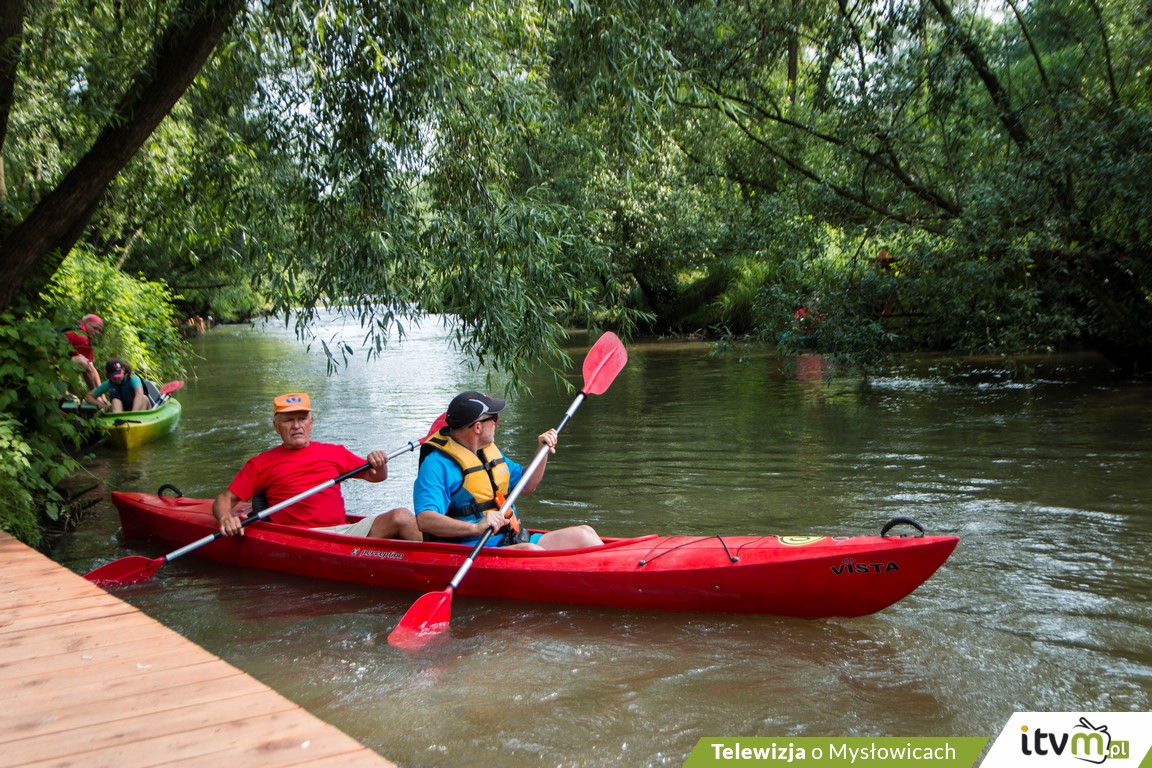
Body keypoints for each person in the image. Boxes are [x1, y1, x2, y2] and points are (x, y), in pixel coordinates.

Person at [212, 392, 421, 541]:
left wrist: (379, 463)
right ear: (276, 427)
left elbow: (376, 476)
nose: (296, 425)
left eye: (302, 419)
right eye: (288, 420)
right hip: (301, 538)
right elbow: (224, 499)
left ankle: (438, 559)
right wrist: (225, 518)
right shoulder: (260, 463)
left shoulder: (335, 452)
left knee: (401, 517)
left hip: (345, 532)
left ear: (311, 422)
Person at [413, 391, 603, 550]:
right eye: (494, 418)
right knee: (532, 552)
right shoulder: (436, 465)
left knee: (584, 534)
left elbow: (527, 485)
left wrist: (542, 452)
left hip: (515, 538)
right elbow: (425, 520)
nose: (497, 423)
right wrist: (475, 527)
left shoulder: (487, 453)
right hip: (475, 549)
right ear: (477, 427)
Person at [84, 358, 151, 413]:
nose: (117, 379)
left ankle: (137, 418)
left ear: (123, 370)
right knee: (115, 401)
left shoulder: (133, 378)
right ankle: (119, 421)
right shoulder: (109, 384)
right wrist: (102, 405)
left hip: (139, 409)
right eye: (114, 377)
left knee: (144, 398)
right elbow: (88, 397)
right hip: (123, 411)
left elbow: (139, 394)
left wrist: (133, 413)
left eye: (118, 375)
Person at [62, 314, 104, 391]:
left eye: (99, 330)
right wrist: (97, 393)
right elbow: (88, 368)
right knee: (82, 362)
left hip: (58, 359)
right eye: (95, 328)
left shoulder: (80, 331)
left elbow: (91, 366)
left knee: (83, 362)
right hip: (52, 361)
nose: (97, 332)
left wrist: (101, 392)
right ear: (84, 323)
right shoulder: (81, 337)